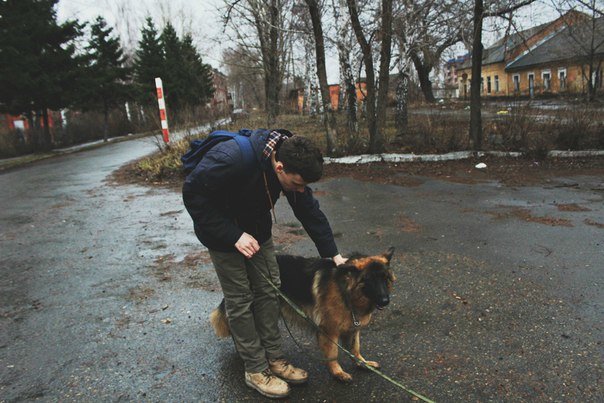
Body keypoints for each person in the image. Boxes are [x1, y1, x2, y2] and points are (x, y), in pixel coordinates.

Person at [182, 129, 345, 399]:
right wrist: (233, 235)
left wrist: (333, 254)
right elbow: (193, 195)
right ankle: (255, 369)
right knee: (241, 298)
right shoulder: (232, 158)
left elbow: (308, 209)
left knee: (271, 290)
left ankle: (274, 359)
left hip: (257, 229)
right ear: (279, 167)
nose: (300, 190)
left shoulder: (292, 162)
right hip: (222, 234)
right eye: (297, 184)